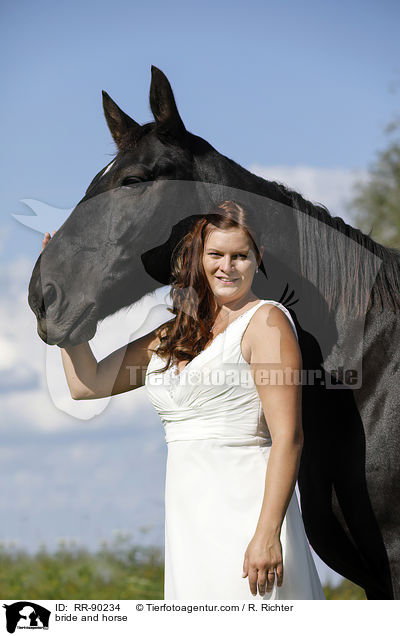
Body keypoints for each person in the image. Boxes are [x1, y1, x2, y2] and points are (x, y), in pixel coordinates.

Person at [42, 200, 325, 600]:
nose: (227, 266)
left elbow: (289, 438)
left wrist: (267, 533)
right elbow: (86, 384)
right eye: (216, 254)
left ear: (257, 259)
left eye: (240, 255)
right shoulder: (174, 333)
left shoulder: (266, 321)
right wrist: (63, 309)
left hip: (248, 510)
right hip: (188, 514)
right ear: (198, 258)